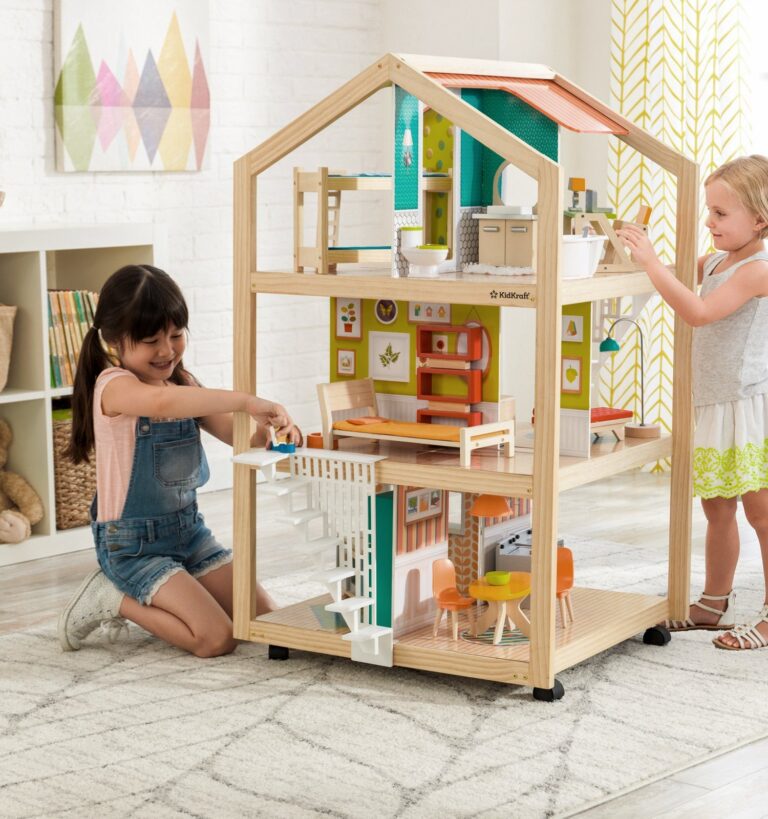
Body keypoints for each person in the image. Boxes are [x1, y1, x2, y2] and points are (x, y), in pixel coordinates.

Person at [57, 265, 302, 657]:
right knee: (216, 638)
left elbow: (239, 437)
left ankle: (179, 593)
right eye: (152, 340)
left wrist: (276, 432)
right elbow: (160, 403)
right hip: (133, 547)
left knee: (267, 620)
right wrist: (245, 400)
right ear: (116, 340)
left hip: (190, 535)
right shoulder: (113, 386)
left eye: (175, 335)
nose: (167, 351)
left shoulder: (184, 385)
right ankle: (112, 597)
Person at [617, 154, 768, 650]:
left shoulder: (757, 269)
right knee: (718, 506)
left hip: (746, 404)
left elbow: (699, 311)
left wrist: (652, 261)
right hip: (714, 402)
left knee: (761, 512)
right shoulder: (719, 261)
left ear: (760, 220)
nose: (709, 222)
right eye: (709, 210)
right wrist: (638, 249)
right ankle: (713, 601)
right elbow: (681, 278)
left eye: (721, 214)